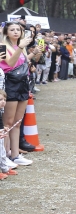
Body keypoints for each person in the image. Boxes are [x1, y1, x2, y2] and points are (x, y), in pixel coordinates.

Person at [1, 22, 40, 166]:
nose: (16, 32)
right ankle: (4, 155)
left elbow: (21, 62)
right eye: (12, 29)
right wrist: (21, 46)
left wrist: (34, 54)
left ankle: (15, 154)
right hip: (10, 83)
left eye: (18, 29)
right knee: (8, 123)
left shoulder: (20, 47)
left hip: (23, 83)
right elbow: (10, 63)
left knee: (17, 122)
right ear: (6, 32)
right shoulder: (2, 46)